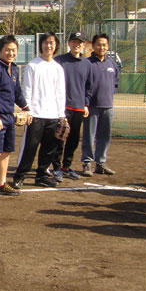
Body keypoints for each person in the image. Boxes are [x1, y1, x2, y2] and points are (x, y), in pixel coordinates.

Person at [0, 35, 31, 201]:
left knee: (6, 151)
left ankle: (1, 184)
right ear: (0, 50)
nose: (11, 53)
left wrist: (26, 108)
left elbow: (17, 93)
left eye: (14, 50)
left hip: (9, 116)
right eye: (7, 50)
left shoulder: (13, 69)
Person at [12, 32, 66, 188]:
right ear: (41, 45)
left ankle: (41, 175)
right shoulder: (33, 65)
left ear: (56, 46)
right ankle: (20, 176)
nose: (49, 45)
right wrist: (28, 111)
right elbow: (27, 89)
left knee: (49, 149)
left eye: (52, 43)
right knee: (30, 147)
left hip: (53, 115)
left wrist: (61, 115)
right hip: (36, 114)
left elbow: (60, 92)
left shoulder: (57, 68)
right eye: (46, 42)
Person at [51, 32, 92, 181]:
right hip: (63, 107)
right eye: (74, 41)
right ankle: (56, 168)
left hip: (78, 107)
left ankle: (66, 167)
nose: (77, 44)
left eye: (80, 42)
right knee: (59, 138)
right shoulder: (60, 61)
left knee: (73, 139)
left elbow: (89, 87)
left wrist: (86, 104)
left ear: (84, 45)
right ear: (69, 43)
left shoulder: (86, 64)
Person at [81, 33, 119, 176]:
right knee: (89, 136)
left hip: (107, 107)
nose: (101, 47)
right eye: (99, 44)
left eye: (104, 45)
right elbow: (83, 84)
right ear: (93, 46)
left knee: (104, 136)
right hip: (91, 106)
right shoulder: (87, 63)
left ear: (107, 46)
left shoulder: (111, 64)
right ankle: (87, 163)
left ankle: (100, 163)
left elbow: (116, 82)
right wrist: (85, 103)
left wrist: (110, 94)